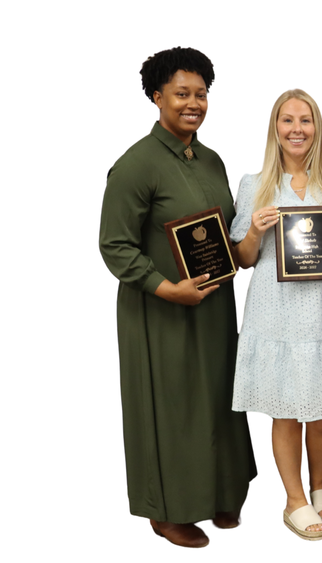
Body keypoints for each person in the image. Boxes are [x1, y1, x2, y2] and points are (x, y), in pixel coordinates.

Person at [98, 47, 256, 549]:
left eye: (201, 94)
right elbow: (114, 244)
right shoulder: (136, 165)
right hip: (161, 309)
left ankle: (218, 494)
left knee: (215, 399)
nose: (193, 103)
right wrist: (167, 288)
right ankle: (168, 510)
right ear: (156, 96)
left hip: (212, 306)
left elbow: (224, 235)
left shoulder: (209, 159)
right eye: (182, 93)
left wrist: (256, 238)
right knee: (171, 406)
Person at [229, 89, 322, 541]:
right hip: (275, 309)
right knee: (285, 410)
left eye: (305, 120)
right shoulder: (255, 184)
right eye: (287, 121)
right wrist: (253, 229)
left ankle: (319, 484)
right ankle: (293, 500)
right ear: (275, 129)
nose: (297, 129)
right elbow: (245, 258)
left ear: (317, 127)